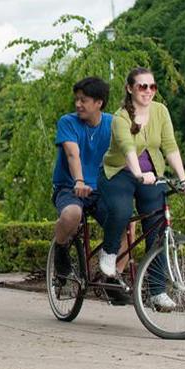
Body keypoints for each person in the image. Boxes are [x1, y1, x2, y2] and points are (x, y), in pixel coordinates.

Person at [97, 67, 185, 311]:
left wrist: (183, 179)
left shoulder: (160, 111)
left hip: (152, 175)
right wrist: (139, 174)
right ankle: (109, 252)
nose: (148, 91)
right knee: (121, 211)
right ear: (130, 88)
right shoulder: (121, 117)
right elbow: (128, 148)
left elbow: (170, 146)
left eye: (152, 86)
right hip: (119, 173)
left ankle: (157, 292)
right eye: (143, 86)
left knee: (158, 229)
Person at [50, 78, 129, 305]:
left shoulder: (113, 123)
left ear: (99, 103)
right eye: (76, 99)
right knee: (72, 214)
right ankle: (61, 249)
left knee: (125, 224)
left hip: (101, 188)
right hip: (70, 186)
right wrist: (79, 180)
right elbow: (72, 154)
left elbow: (127, 153)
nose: (78, 104)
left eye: (83, 100)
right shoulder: (68, 122)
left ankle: (113, 276)